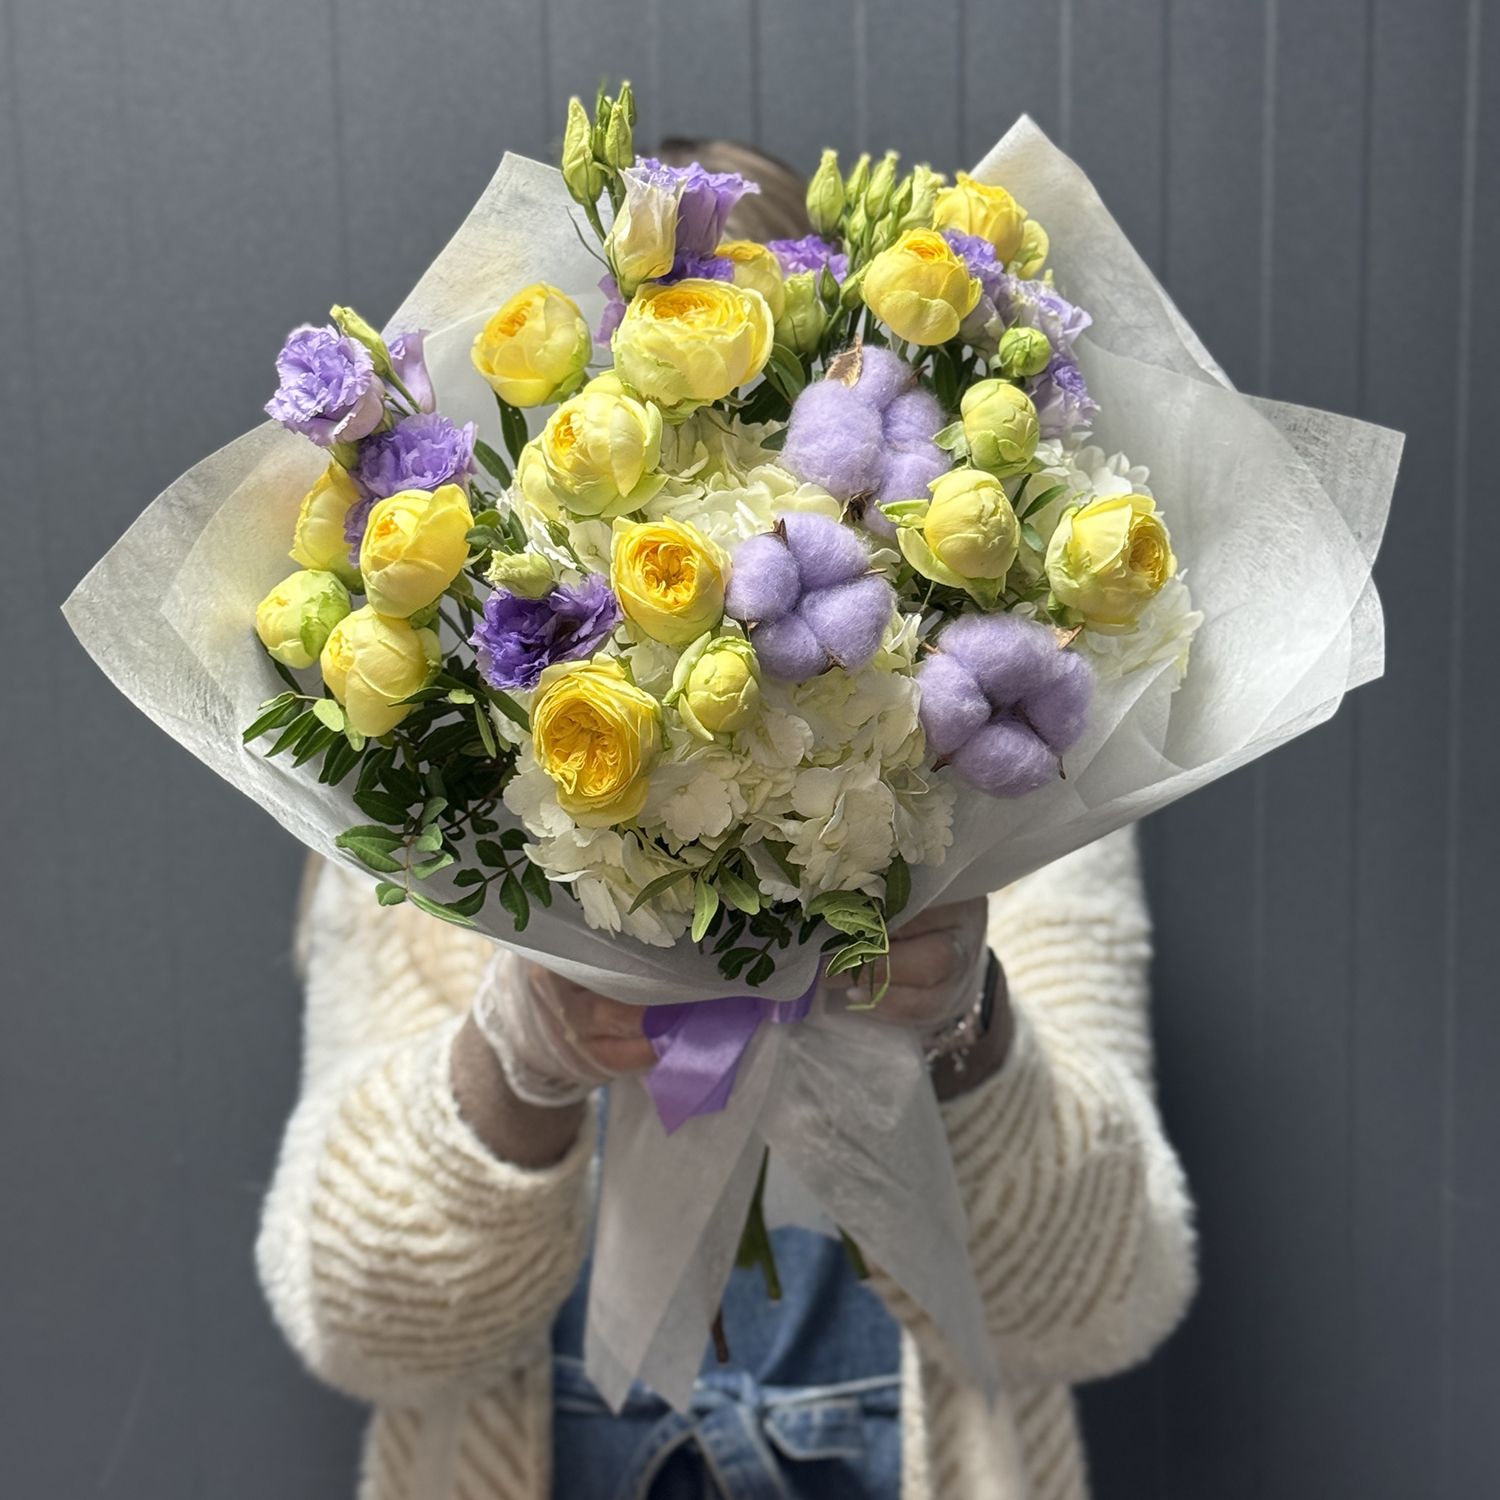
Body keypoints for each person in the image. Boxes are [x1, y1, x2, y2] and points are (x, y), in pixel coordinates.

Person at [256, 143, 1197, 1500]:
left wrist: (963, 1028)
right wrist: (521, 1057)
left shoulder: (1018, 753)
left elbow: (1105, 1304)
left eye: (760, 392)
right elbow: (361, 1331)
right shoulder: (435, 768)